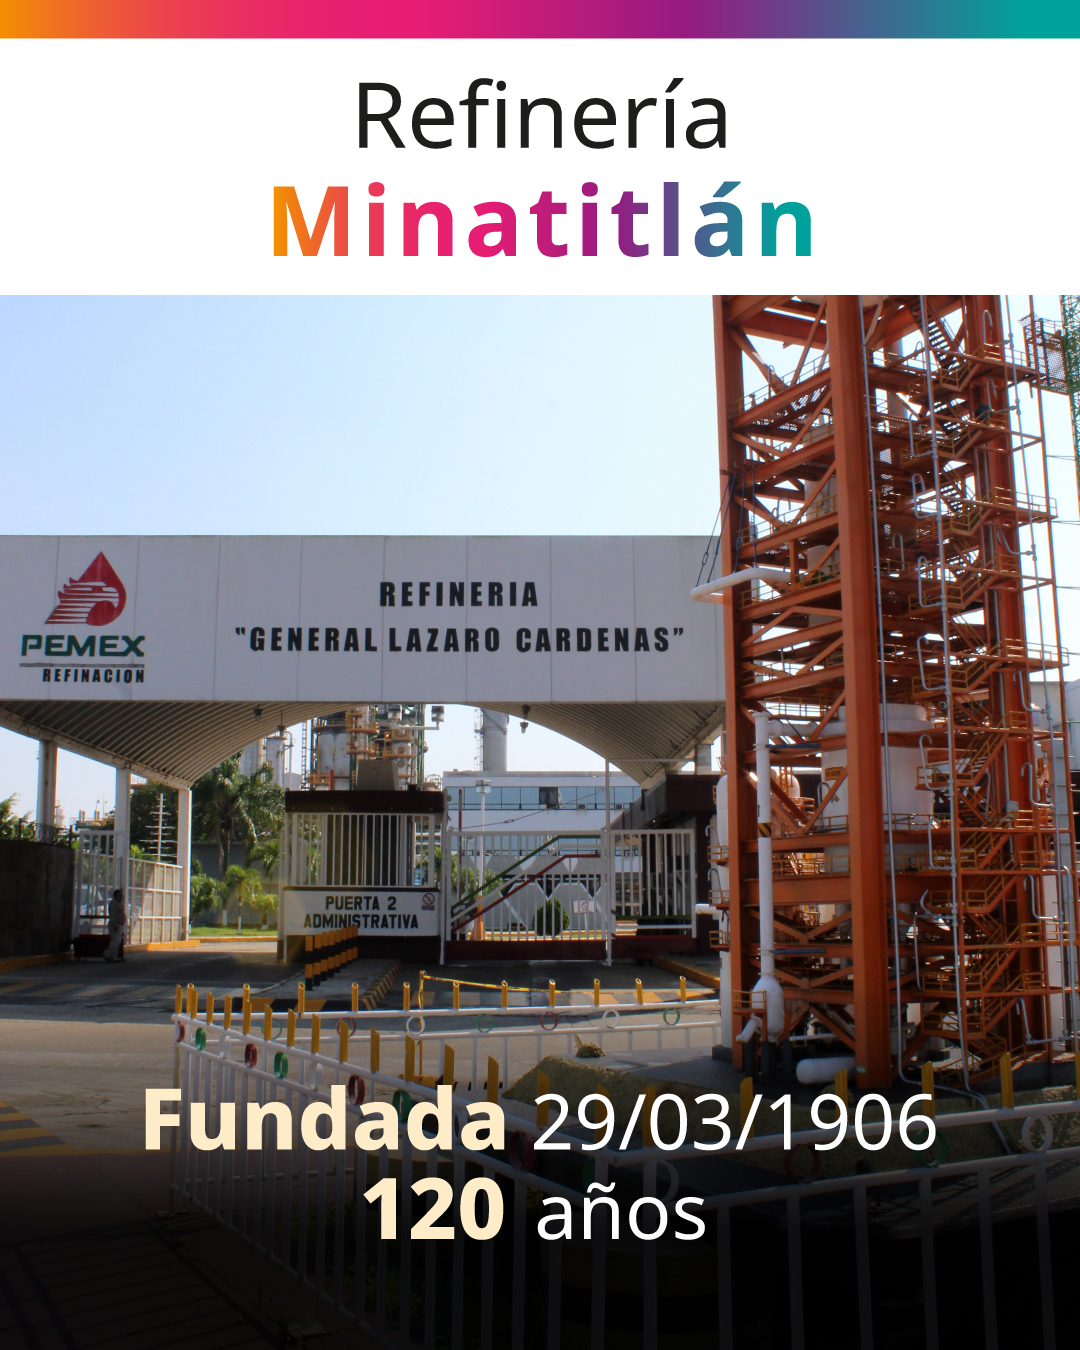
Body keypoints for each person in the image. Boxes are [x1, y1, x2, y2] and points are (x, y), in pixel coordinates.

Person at [103, 887, 126, 962]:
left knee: (117, 941)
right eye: (120, 895)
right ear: (115, 895)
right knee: (116, 941)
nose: (121, 896)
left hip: (119, 924)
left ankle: (113, 957)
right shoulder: (113, 904)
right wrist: (115, 925)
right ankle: (107, 954)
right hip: (115, 925)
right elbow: (112, 915)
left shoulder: (118, 903)